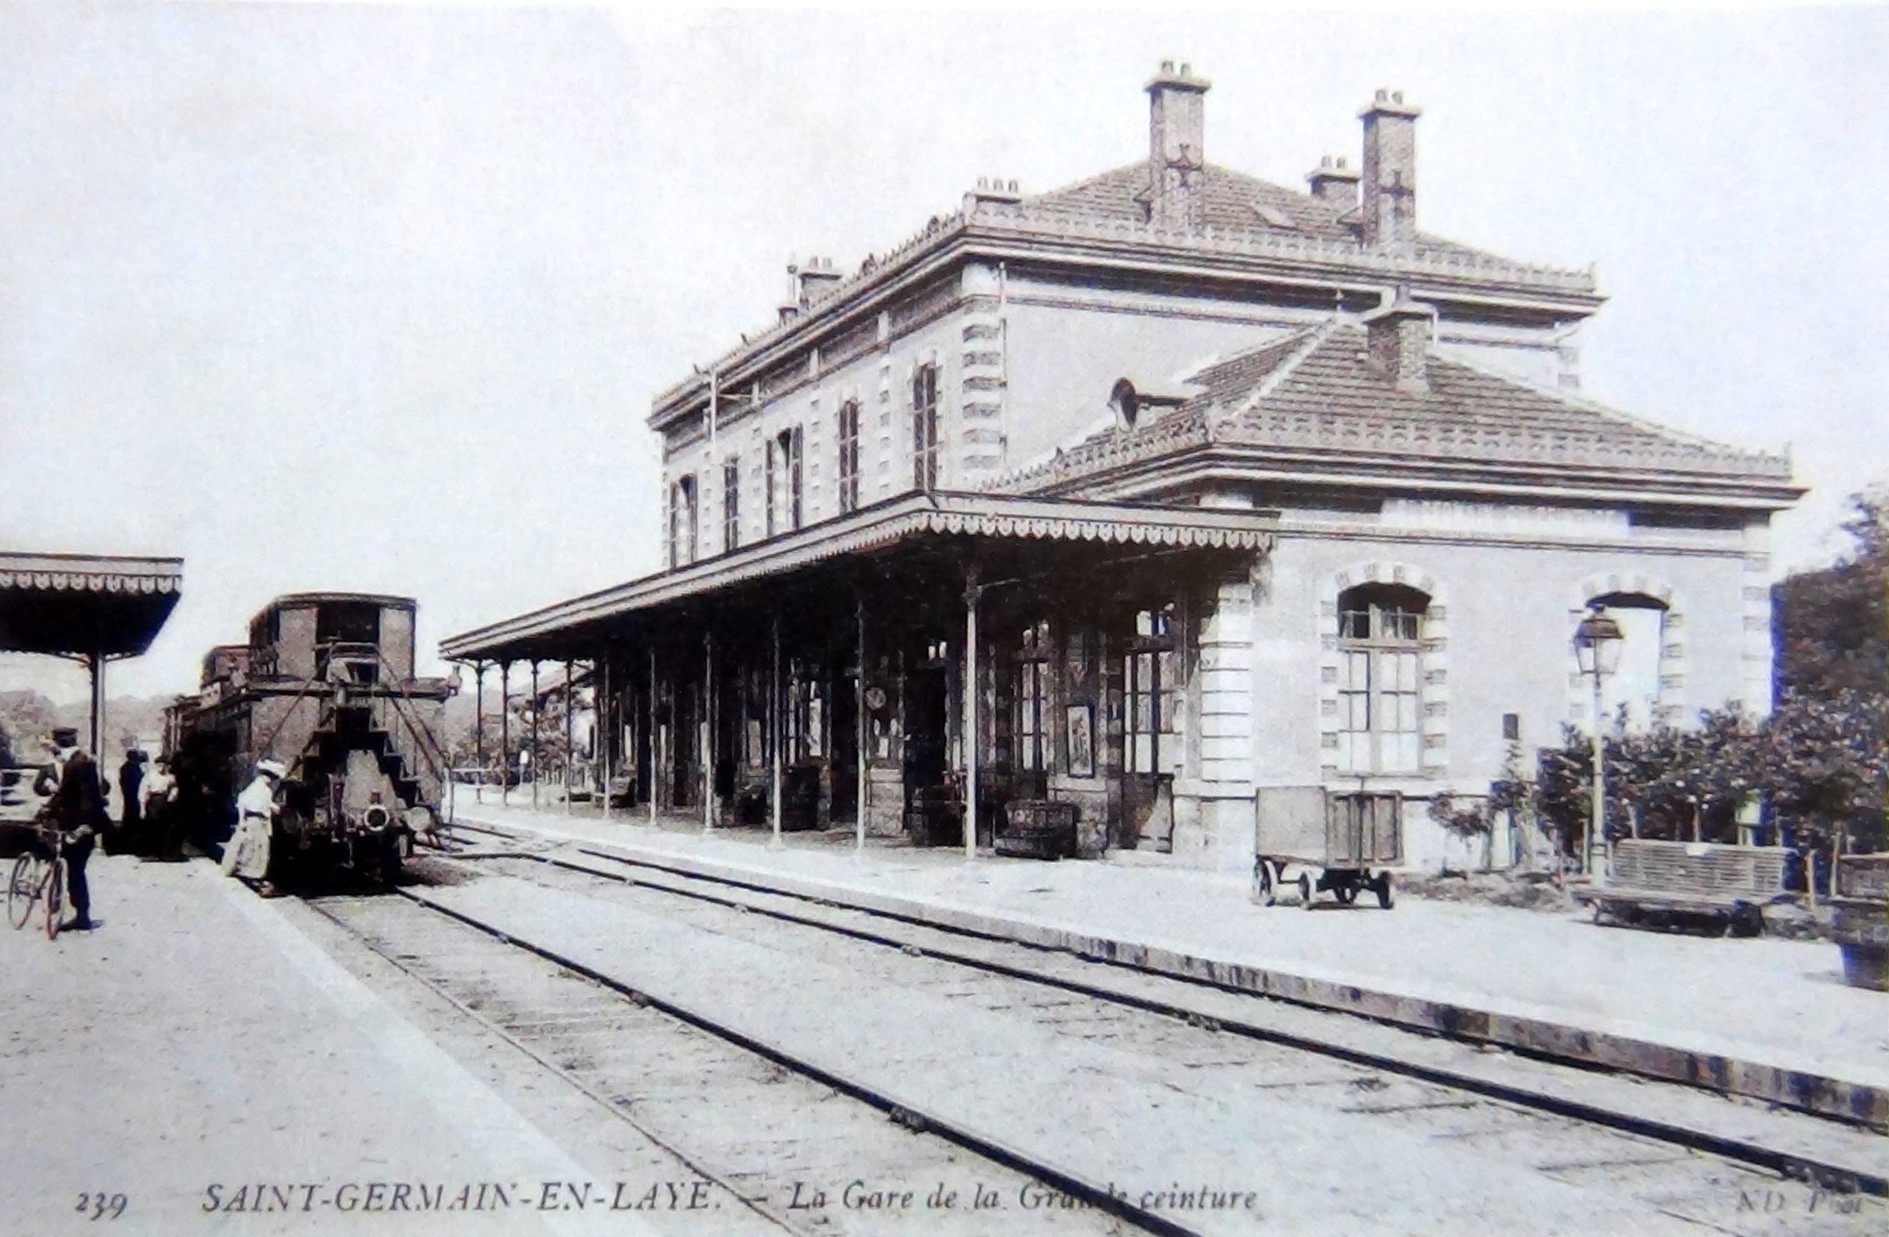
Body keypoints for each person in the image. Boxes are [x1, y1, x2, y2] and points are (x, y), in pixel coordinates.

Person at [39, 726, 108, 931]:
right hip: (76, 823)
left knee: (75, 871)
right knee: (74, 869)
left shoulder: (76, 765)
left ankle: (81, 916)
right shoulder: (81, 761)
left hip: (78, 826)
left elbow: (83, 797)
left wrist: (83, 825)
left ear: (58, 744)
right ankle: (78, 912)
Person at [221, 758, 285, 896]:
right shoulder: (257, 787)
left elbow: (264, 802)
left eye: (273, 777)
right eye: (270, 776)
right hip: (254, 820)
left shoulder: (265, 789)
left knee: (258, 847)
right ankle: (252, 876)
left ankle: (253, 874)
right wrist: (242, 820)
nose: (271, 780)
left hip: (260, 820)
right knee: (255, 847)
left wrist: (272, 806)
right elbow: (242, 801)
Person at [118, 748, 147, 855]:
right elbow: (133, 780)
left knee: (132, 816)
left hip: (132, 794)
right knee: (131, 816)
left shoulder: (131, 767)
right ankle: (129, 841)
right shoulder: (128, 768)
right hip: (131, 795)